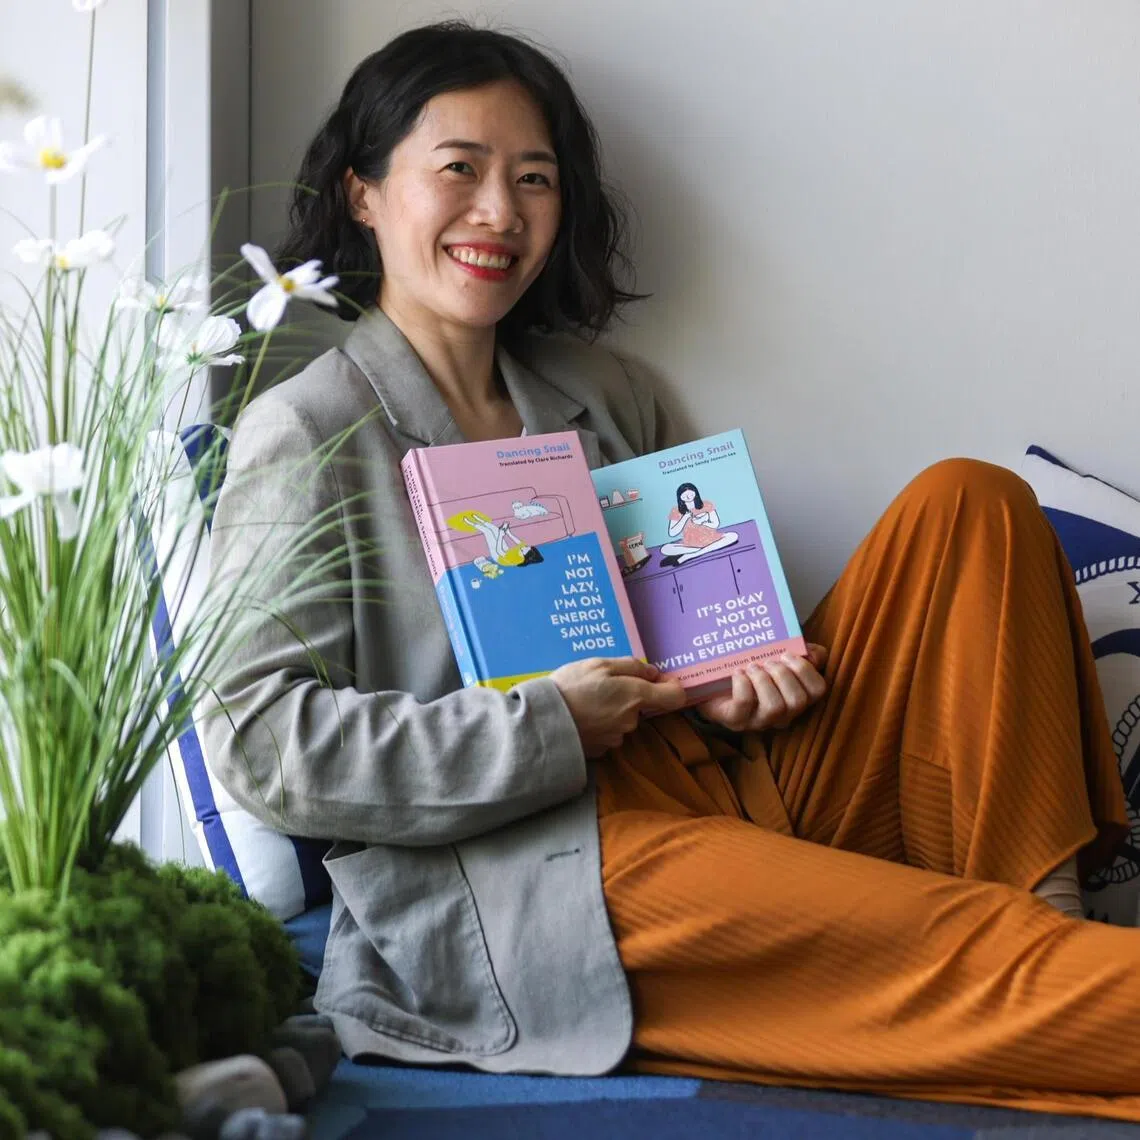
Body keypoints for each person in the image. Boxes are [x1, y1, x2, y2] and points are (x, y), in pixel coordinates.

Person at [202, 21, 1140, 1121]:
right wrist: (549, 725)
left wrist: (742, 683)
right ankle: (1052, 981)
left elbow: (694, 628)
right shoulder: (308, 430)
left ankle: (1050, 920)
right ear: (363, 193)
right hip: (545, 863)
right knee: (963, 954)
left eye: (534, 178)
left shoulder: (606, 395)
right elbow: (259, 740)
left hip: (733, 791)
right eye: (459, 169)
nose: (500, 211)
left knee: (970, 503)